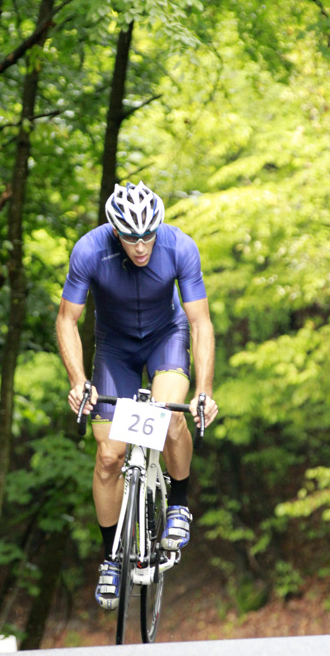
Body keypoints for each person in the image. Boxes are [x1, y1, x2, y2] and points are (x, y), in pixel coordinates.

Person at [56, 180, 217, 610]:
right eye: (131, 237)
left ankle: (178, 504)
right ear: (115, 231)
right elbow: (67, 320)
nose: (141, 246)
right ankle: (111, 558)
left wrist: (204, 391)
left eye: (148, 235)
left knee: (170, 416)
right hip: (115, 350)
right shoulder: (90, 251)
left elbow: (199, 322)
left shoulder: (179, 246)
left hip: (166, 338)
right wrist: (78, 381)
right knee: (109, 456)